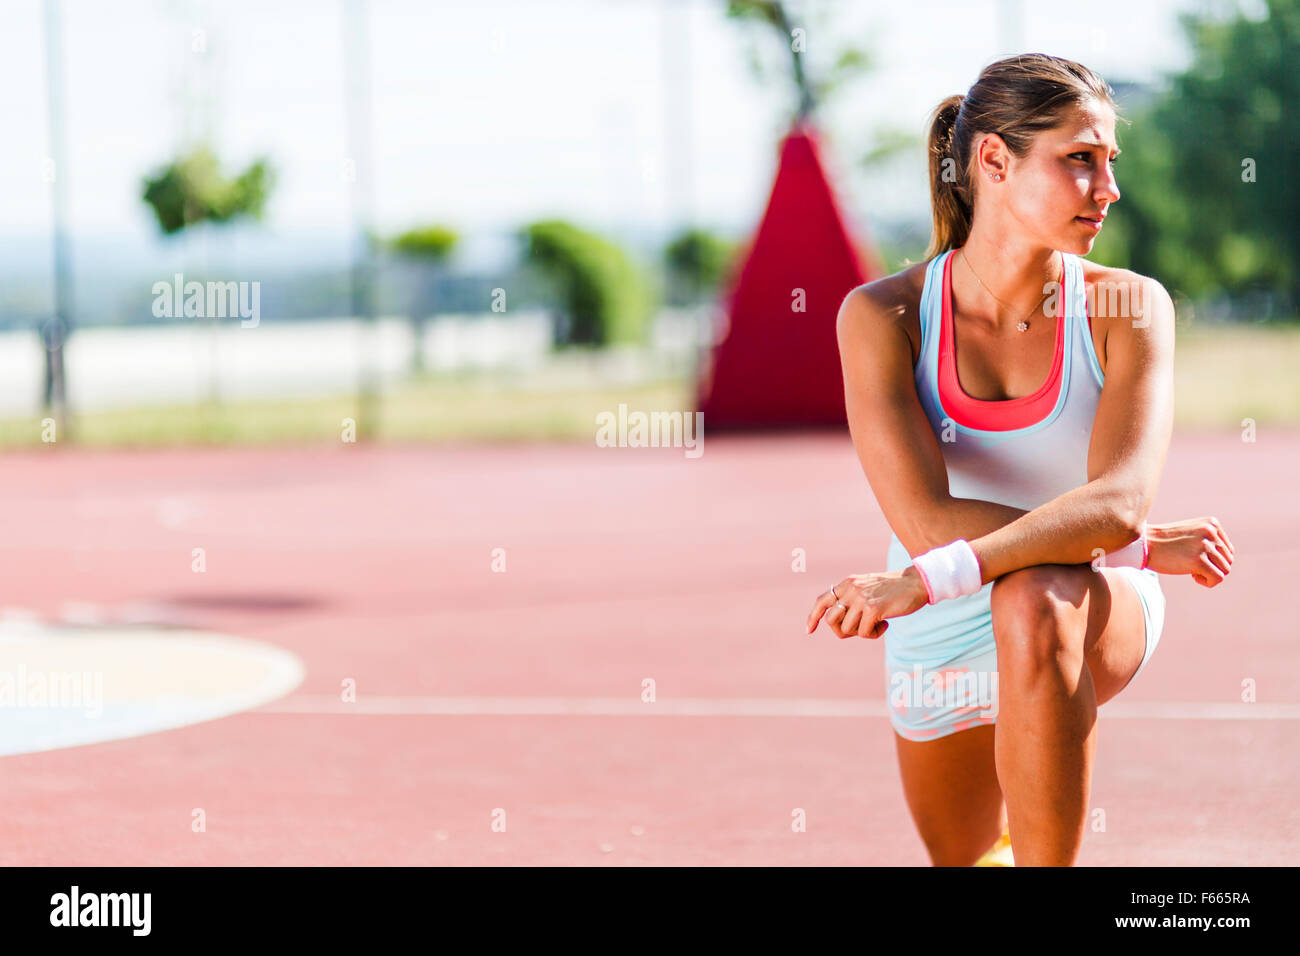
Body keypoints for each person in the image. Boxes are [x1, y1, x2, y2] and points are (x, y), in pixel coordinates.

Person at [803, 54, 1235, 867]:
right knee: (966, 858)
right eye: (1081, 159)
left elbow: (1112, 506)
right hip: (940, 611)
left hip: (1083, 591)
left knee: (1034, 601)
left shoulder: (1129, 305)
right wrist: (1140, 545)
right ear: (994, 161)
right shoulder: (884, 315)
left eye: (1110, 162)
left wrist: (1115, 547)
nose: (1108, 188)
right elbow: (928, 523)